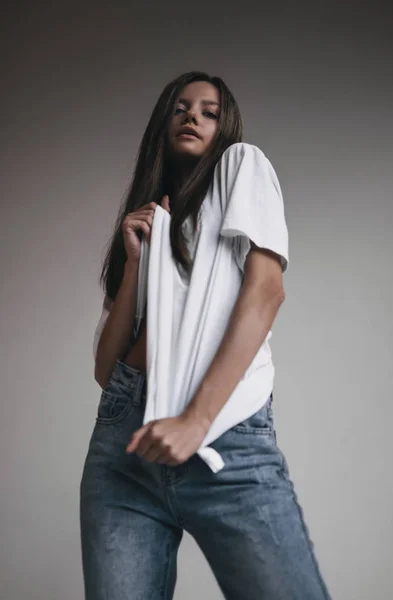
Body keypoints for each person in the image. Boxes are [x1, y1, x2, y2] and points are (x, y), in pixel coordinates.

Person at [80, 71, 332, 600]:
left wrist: (197, 420)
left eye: (209, 110)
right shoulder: (152, 221)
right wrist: (134, 262)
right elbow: (107, 371)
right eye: (180, 107)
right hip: (124, 449)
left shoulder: (241, 167)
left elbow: (266, 292)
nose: (192, 115)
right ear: (162, 125)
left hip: (223, 439)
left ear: (225, 126)